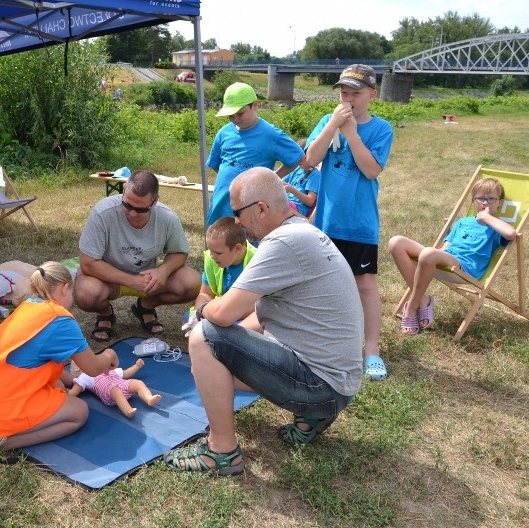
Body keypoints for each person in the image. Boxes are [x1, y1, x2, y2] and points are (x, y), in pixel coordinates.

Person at [164, 167, 362, 475]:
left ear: (261, 208)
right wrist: (228, 351)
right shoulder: (302, 231)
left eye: (238, 213)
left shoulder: (282, 243)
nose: (237, 222)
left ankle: (221, 451)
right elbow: (261, 315)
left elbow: (222, 314)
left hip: (320, 386)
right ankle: (311, 418)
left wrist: (202, 313)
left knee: (203, 337)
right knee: (215, 357)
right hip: (339, 384)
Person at [0, 262, 118, 462]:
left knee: (57, 385)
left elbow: (32, 360)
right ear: (65, 288)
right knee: (79, 413)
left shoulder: (28, 307)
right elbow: (93, 368)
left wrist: (70, 379)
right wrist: (108, 355)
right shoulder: (61, 320)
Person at [304, 64, 393, 380]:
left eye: (356, 93)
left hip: (359, 223)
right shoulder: (327, 122)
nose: (349, 99)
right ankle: (322, 342)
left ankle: (371, 352)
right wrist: (331, 128)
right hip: (327, 221)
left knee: (364, 283)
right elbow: (310, 160)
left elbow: (371, 170)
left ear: (372, 94)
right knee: (321, 282)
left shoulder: (381, 129)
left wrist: (352, 134)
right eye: (344, 93)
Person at [75, 170, 200, 342]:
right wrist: (131, 281)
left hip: (148, 277)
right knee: (86, 295)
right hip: (108, 278)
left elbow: (179, 253)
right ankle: (105, 314)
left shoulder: (167, 218)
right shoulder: (102, 213)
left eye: (140, 209)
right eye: (127, 205)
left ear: (155, 201)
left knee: (191, 283)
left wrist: (163, 271)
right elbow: (87, 263)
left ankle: (145, 307)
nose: (132, 213)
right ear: (124, 190)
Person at [388, 177, 515, 334]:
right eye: (480, 198)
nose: (485, 203)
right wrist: (435, 255)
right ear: (474, 201)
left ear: (499, 202)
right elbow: (446, 246)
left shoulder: (496, 227)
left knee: (428, 252)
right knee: (396, 242)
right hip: (444, 258)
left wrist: (487, 218)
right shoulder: (463, 222)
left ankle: (412, 307)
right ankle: (422, 300)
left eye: (491, 199)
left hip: (465, 267)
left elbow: (511, 234)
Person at [206, 82, 304, 226]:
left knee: (248, 246)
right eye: (230, 115)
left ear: (256, 105)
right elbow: (216, 165)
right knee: (218, 244)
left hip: (249, 210)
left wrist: (273, 178)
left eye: (240, 113)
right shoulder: (224, 132)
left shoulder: (271, 134)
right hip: (220, 205)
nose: (235, 118)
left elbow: (297, 156)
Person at [181, 217, 256, 337]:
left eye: (218, 253)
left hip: (244, 314)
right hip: (220, 310)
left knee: (246, 328)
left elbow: (258, 306)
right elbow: (206, 293)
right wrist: (197, 314)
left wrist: (222, 315)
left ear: (238, 248)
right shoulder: (212, 259)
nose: (212, 256)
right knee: (187, 318)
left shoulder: (256, 261)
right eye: (210, 250)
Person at [68, 350, 162, 418]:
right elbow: (75, 391)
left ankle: (148, 398)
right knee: (115, 390)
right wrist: (65, 393)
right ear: (79, 369)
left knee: (138, 383)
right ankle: (127, 410)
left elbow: (125, 373)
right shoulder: (84, 377)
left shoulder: (106, 367)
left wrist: (136, 366)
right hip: (109, 394)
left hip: (122, 385)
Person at [281, 139, 320, 218]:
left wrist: (291, 190)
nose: (300, 161)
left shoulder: (315, 175)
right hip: (287, 202)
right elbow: (281, 181)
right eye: (297, 157)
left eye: (304, 158)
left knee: (272, 205)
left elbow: (310, 201)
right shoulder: (296, 169)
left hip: (298, 208)